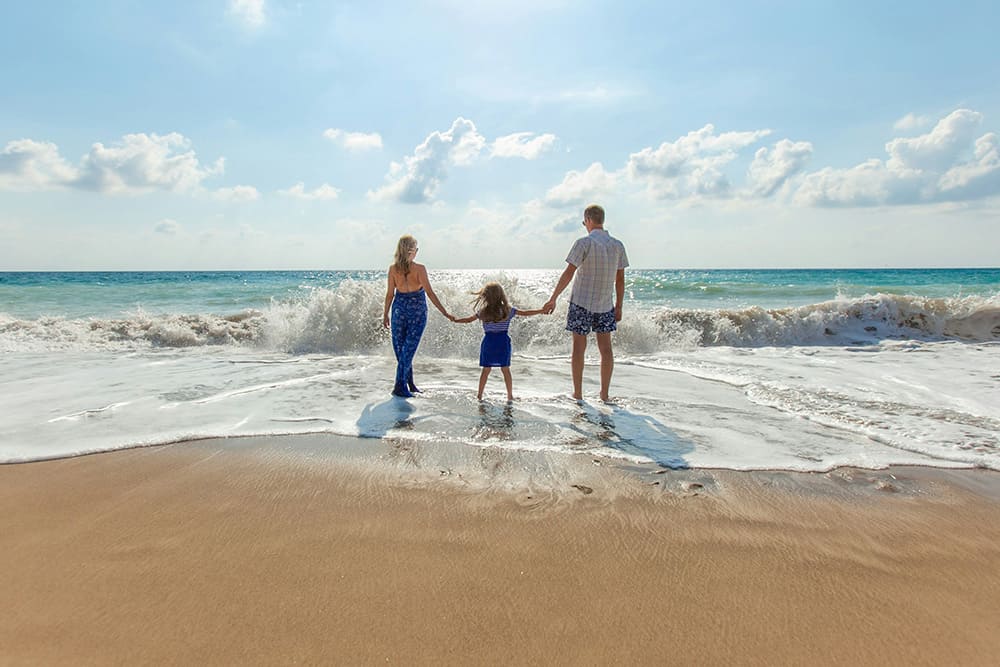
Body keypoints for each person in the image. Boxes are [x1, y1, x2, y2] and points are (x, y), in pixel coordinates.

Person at [542, 204, 628, 402]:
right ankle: (604, 395)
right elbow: (620, 280)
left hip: (581, 302)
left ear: (588, 220)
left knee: (578, 349)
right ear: (602, 220)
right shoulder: (617, 245)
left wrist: (553, 297)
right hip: (606, 304)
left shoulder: (583, 243)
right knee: (606, 350)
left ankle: (578, 394)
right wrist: (620, 306)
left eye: (584, 222)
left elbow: (569, 273)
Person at [451, 281, 544, 402]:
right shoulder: (507, 310)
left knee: (486, 370)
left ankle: (479, 395)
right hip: (502, 342)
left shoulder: (483, 312)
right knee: (505, 369)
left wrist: (455, 320)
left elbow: (468, 320)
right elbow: (525, 313)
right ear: (501, 295)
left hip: (489, 342)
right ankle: (510, 396)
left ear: (485, 296)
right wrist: (541, 311)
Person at [383, 235, 452, 397]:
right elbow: (429, 292)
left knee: (403, 350)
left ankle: (409, 383)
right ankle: (399, 386)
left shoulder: (393, 269)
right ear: (412, 251)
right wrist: (445, 312)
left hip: (399, 309)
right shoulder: (419, 269)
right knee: (407, 349)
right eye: (416, 248)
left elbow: (389, 295)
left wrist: (385, 314)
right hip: (417, 311)